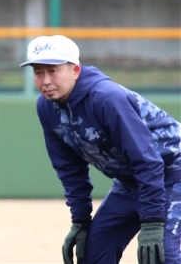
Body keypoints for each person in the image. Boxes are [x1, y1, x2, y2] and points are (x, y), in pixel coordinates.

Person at [20, 34, 181, 264]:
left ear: (75, 71)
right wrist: (81, 221)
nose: (45, 80)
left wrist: (152, 221)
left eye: (53, 71)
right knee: (92, 255)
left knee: (160, 255)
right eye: (38, 72)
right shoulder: (46, 108)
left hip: (173, 172)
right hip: (131, 181)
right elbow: (69, 169)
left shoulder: (106, 98)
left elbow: (147, 161)